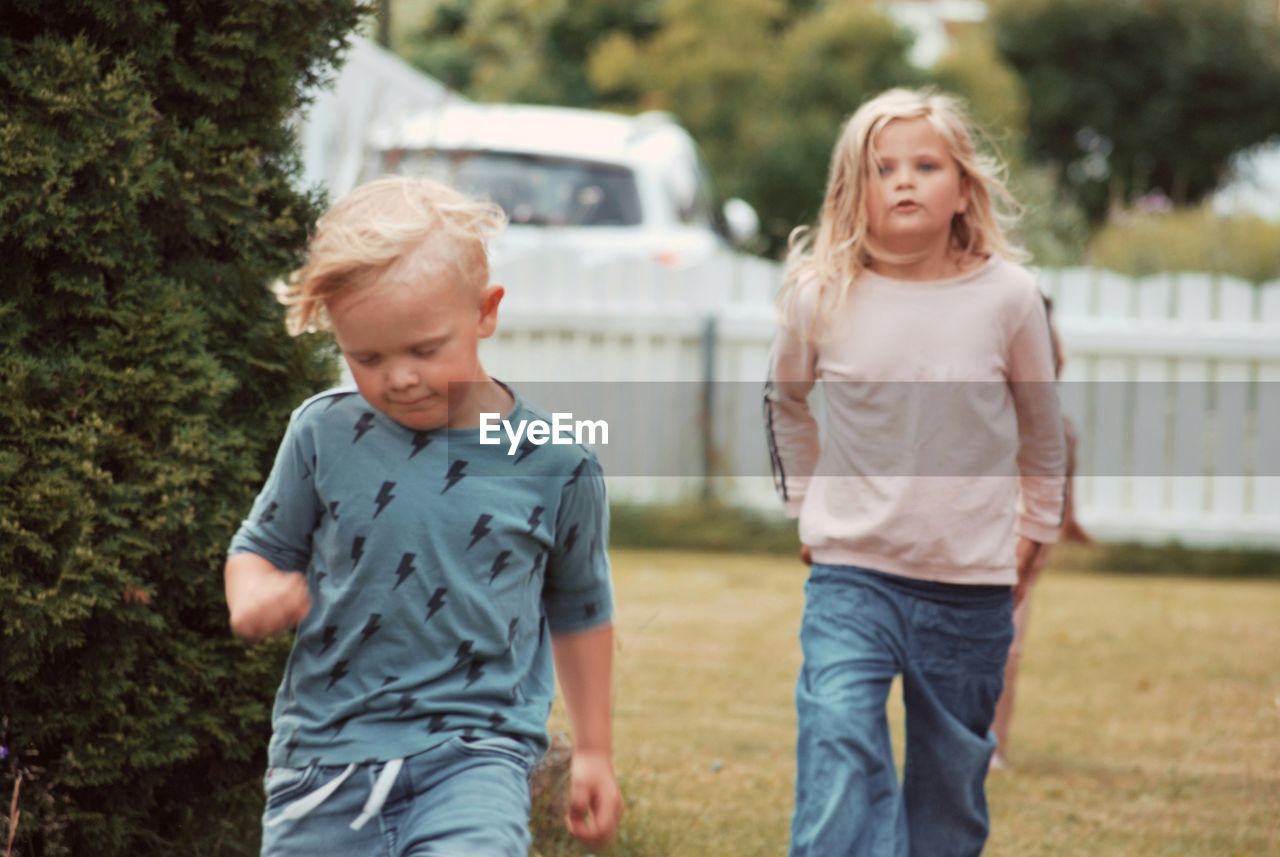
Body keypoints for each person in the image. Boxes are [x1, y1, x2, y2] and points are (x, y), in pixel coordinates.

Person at [224, 176, 622, 856]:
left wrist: (593, 748)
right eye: (366, 357)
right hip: (323, 758)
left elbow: (580, 605)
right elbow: (259, 545)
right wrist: (253, 592)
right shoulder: (322, 434)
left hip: (474, 753)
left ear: (485, 312)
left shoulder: (556, 463)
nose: (398, 377)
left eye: (424, 349)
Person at [763, 88, 1067, 856]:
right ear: (852, 189)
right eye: (882, 167)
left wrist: (1037, 527)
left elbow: (1041, 430)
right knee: (836, 738)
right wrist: (805, 501)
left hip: (968, 587)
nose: (903, 181)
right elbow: (784, 401)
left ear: (962, 187)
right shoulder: (818, 295)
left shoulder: (1009, 298)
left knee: (949, 791)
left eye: (925, 165)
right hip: (851, 575)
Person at [989, 296, 1091, 770]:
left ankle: (994, 746)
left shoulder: (1054, 424)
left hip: (1024, 538)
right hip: (975, 531)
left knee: (1008, 643)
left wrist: (1067, 521)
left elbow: (1061, 473)